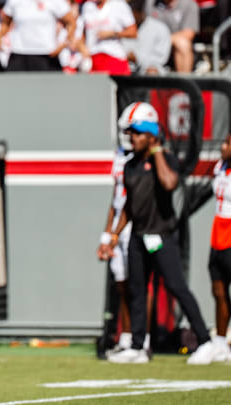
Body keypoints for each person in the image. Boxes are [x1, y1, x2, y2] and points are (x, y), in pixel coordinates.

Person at [104, 102, 218, 365]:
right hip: (137, 235)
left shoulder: (164, 159)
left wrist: (156, 152)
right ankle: (137, 345)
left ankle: (205, 340)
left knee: (177, 287)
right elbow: (128, 207)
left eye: (137, 133)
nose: (132, 138)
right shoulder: (129, 165)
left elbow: (169, 184)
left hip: (161, 236)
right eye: (130, 133)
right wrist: (113, 235)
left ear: (151, 136)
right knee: (137, 290)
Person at [95, 111, 139, 355]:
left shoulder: (146, 158)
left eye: (132, 131)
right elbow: (116, 199)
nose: (128, 136)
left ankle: (142, 339)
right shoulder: (120, 157)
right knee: (122, 283)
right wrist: (107, 234)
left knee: (138, 285)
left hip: (138, 225)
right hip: (119, 228)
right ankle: (127, 336)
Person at [205, 134, 231, 362]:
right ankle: (220, 343)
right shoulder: (219, 168)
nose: (223, 147)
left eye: (228, 143)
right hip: (218, 233)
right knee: (219, 290)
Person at [0, 0, 75, 71]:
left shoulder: (55, 1)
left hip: (47, 54)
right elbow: (5, 22)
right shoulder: (14, 1)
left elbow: (71, 23)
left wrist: (63, 44)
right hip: (19, 53)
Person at [77, 0, 136, 75]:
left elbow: (133, 32)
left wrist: (112, 33)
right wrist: (82, 46)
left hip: (114, 57)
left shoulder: (119, 5)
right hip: (92, 59)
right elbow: (82, 32)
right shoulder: (87, 6)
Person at [145, 0, 198, 72]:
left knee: (183, 44)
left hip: (173, 46)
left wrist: (164, 40)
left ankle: (184, 80)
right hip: (153, 46)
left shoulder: (189, 4)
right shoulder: (151, 3)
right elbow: (147, 29)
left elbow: (189, 34)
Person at [123, 2, 171, 74]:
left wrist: (137, 58)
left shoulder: (159, 28)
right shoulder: (121, 27)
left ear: (141, 13)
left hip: (149, 69)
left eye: (133, 15)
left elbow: (160, 59)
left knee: (152, 71)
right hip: (122, 68)